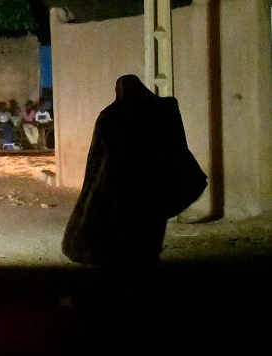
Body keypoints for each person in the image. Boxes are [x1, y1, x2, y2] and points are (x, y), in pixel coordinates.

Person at [61, 74, 206, 271]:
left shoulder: (111, 116)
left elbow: (98, 155)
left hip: (123, 184)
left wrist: (98, 183)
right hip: (152, 182)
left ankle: (127, 266)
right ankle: (145, 263)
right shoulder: (158, 113)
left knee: (126, 224)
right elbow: (174, 143)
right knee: (150, 223)